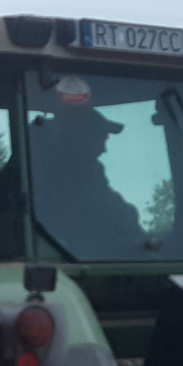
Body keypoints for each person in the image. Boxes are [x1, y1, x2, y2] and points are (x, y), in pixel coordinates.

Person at [26, 103, 149, 257]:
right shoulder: (46, 174)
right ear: (78, 139)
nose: (104, 149)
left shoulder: (92, 172)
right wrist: (130, 215)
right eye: (100, 139)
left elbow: (115, 210)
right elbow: (110, 211)